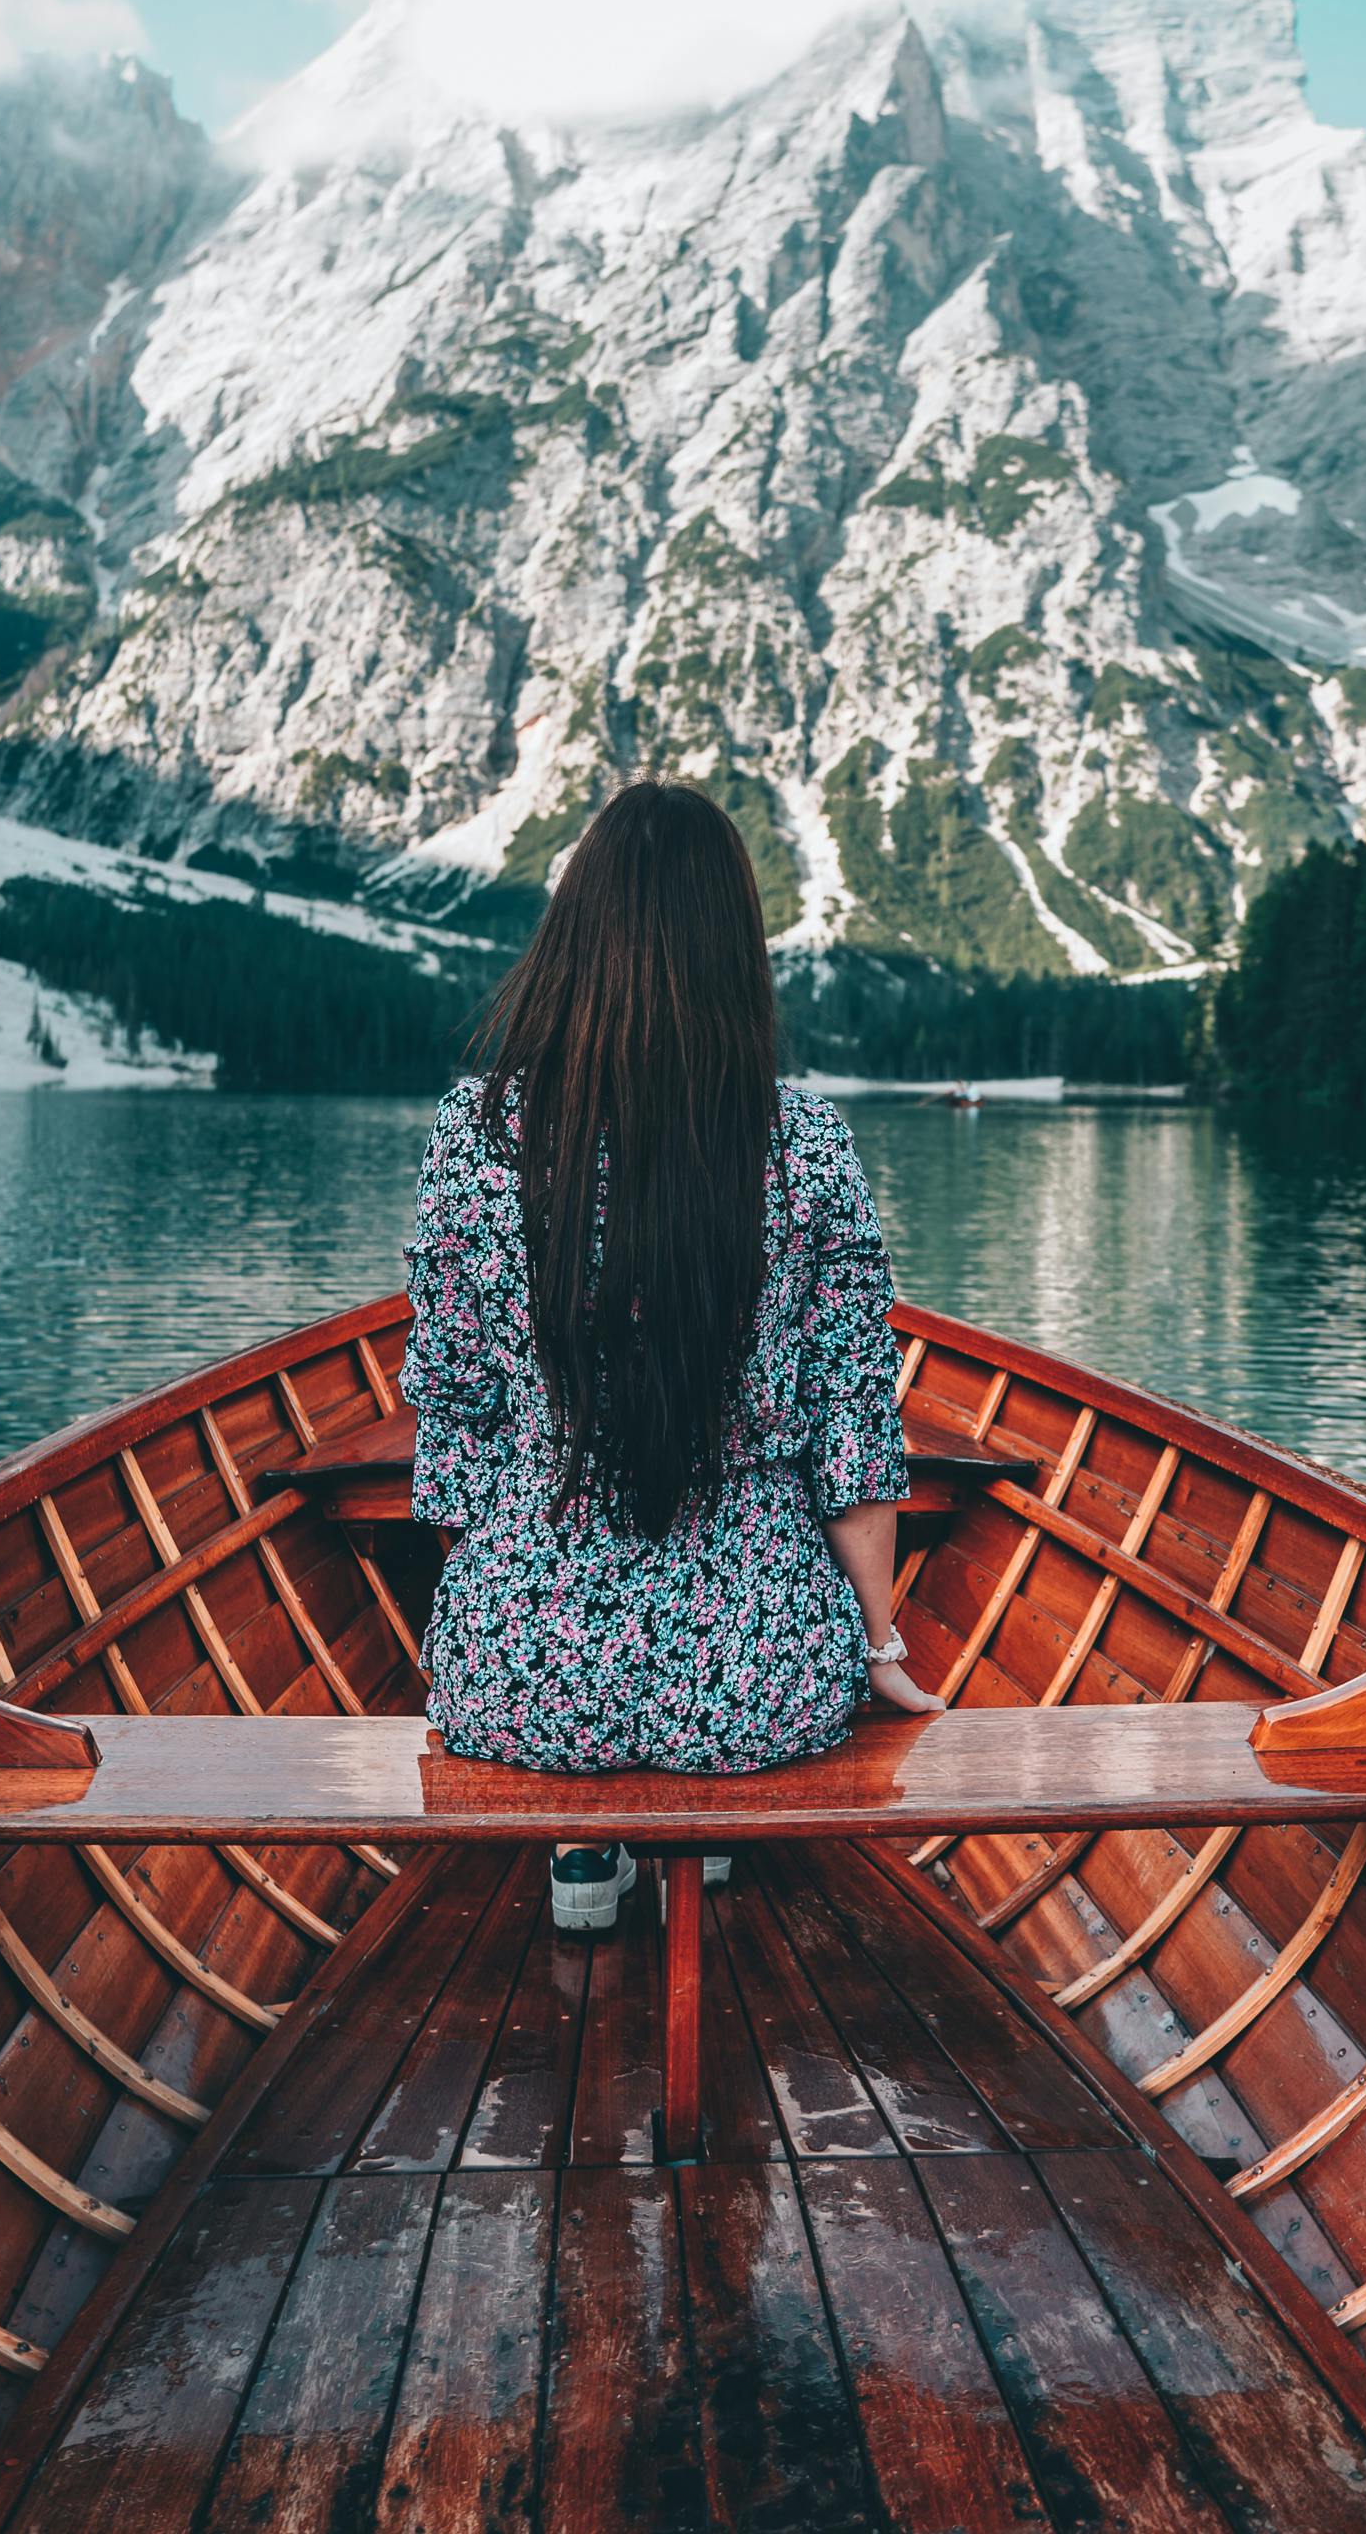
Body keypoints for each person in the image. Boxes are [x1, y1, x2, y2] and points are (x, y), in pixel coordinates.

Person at [400, 779, 944, 1933]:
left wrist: (492, 1594)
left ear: (574, 941)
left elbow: (451, 1415)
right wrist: (880, 1646)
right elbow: (855, 1438)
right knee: (741, 1696)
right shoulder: (807, 1144)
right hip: (763, 1687)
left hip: (519, 1678)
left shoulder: (475, 1136)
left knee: (524, 1587)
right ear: (732, 953)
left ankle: (585, 1855)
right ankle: (713, 1830)